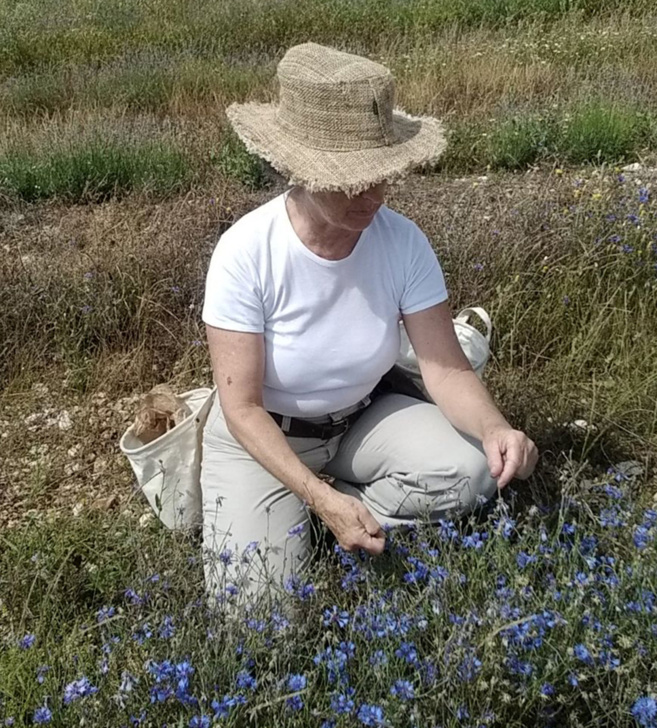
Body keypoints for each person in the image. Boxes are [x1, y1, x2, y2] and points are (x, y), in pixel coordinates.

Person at [200, 42, 538, 599]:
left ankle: (342, 510)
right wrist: (317, 495)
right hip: (264, 438)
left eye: (384, 174)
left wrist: (495, 428)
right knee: (256, 621)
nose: (375, 194)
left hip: (360, 421)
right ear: (301, 171)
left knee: (473, 470)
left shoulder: (402, 244)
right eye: (353, 179)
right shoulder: (246, 252)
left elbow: (447, 372)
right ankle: (309, 508)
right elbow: (242, 408)